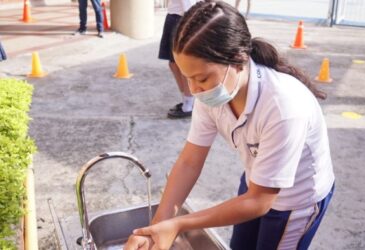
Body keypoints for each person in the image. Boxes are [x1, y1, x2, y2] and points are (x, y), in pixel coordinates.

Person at [124, 1, 335, 249]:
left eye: (201, 78)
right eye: (187, 77)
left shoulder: (283, 106)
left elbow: (260, 201)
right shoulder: (212, 92)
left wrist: (179, 224)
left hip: (294, 200)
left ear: (238, 60)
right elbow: (189, 161)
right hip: (257, 181)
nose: (193, 90)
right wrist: (157, 227)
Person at [160, 0, 196, 119]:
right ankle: (187, 100)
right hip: (175, 17)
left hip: (181, 20)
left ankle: (188, 104)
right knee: (174, 64)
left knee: (181, 65)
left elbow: (189, 7)